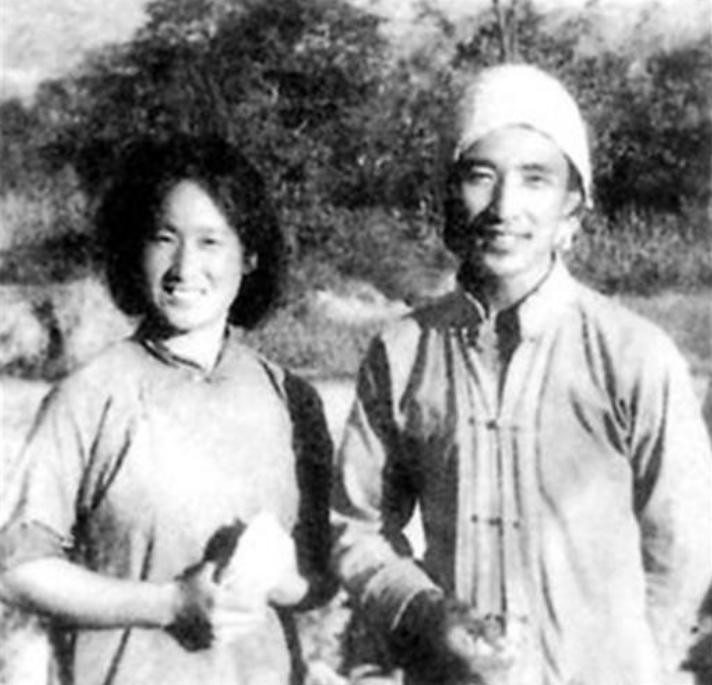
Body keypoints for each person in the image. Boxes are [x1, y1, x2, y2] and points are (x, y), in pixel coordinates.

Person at [331, 64, 712, 685]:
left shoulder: (632, 355)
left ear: (573, 208)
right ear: (449, 196)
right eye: (481, 176)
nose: (505, 207)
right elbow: (356, 526)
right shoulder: (401, 353)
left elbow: (683, 543)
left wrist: (636, 662)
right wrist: (426, 614)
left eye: (536, 179)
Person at [0, 134, 335, 685]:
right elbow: (17, 570)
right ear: (135, 248)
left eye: (210, 242)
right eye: (164, 238)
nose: (184, 266)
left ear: (250, 256)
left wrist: (277, 580)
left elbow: (319, 579)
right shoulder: (89, 395)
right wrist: (169, 603)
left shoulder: (291, 398)